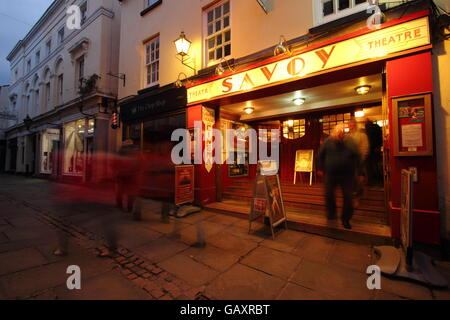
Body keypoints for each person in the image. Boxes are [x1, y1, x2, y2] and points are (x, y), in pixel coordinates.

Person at [318, 123, 363, 229]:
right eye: (337, 133)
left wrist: (361, 173)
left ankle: (346, 219)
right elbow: (320, 155)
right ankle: (331, 214)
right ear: (334, 132)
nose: (339, 136)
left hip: (347, 175)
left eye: (341, 133)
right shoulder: (328, 141)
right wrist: (320, 168)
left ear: (344, 133)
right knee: (328, 194)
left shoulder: (351, 142)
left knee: (348, 197)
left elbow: (358, 157)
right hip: (330, 174)